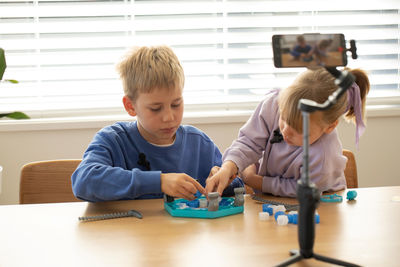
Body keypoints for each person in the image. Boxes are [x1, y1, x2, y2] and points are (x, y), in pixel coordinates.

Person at [71, 45, 243, 202]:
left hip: (185, 235)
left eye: (176, 104)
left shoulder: (199, 143)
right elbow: (83, 181)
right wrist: (158, 181)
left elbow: (238, 186)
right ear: (131, 106)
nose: (169, 117)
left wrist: (225, 181)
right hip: (129, 234)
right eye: (155, 108)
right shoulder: (113, 140)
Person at [205, 67, 369, 197]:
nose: (286, 132)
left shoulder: (324, 156)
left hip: (320, 205)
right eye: (283, 119)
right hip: (275, 202)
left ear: (329, 127)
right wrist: (229, 166)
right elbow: (249, 142)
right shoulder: (273, 104)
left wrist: (255, 181)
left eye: (299, 129)